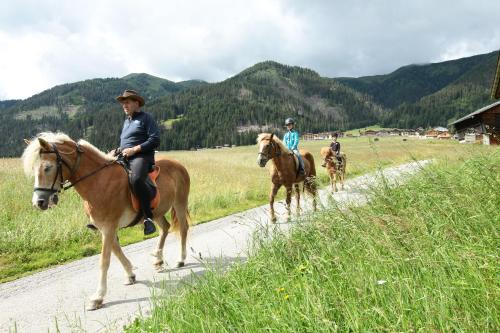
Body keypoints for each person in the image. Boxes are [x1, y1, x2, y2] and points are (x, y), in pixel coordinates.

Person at [115, 89, 160, 235]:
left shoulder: (146, 118)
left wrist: (134, 150)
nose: (124, 105)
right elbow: (126, 143)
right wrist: (116, 150)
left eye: (127, 102)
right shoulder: (126, 122)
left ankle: (148, 218)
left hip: (142, 157)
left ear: (137, 103)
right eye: (123, 103)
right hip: (125, 156)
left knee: (135, 179)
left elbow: (155, 139)